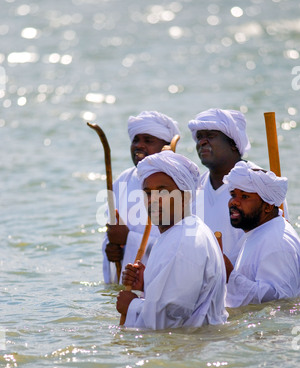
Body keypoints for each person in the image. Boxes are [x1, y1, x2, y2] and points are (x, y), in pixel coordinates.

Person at [116, 150, 228, 330]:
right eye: (148, 193)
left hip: (188, 351)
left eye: (163, 191)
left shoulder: (183, 242)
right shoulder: (182, 231)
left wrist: (131, 305)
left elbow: (169, 321)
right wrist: (147, 284)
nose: (153, 200)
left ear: (185, 196)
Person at [102, 111, 180, 284]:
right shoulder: (123, 180)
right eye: (135, 140)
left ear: (166, 147)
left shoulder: (177, 183)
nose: (139, 145)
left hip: (165, 283)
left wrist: (128, 239)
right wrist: (112, 249)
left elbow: (179, 246)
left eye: (148, 140)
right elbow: (112, 235)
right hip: (127, 282)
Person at [222, 161, 300, 308]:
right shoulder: (260, 232)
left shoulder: (277, 241)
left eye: (244, 197)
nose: (234, 202)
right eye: (233, 195)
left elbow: (280, 303)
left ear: (268, 206)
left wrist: (229, 276)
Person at [188, 108, 259, 264]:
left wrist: (228, 274)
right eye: (199, 137)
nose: (202, 142)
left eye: (210, 136)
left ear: (233, 144)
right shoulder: (194, 188)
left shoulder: (259, 184)